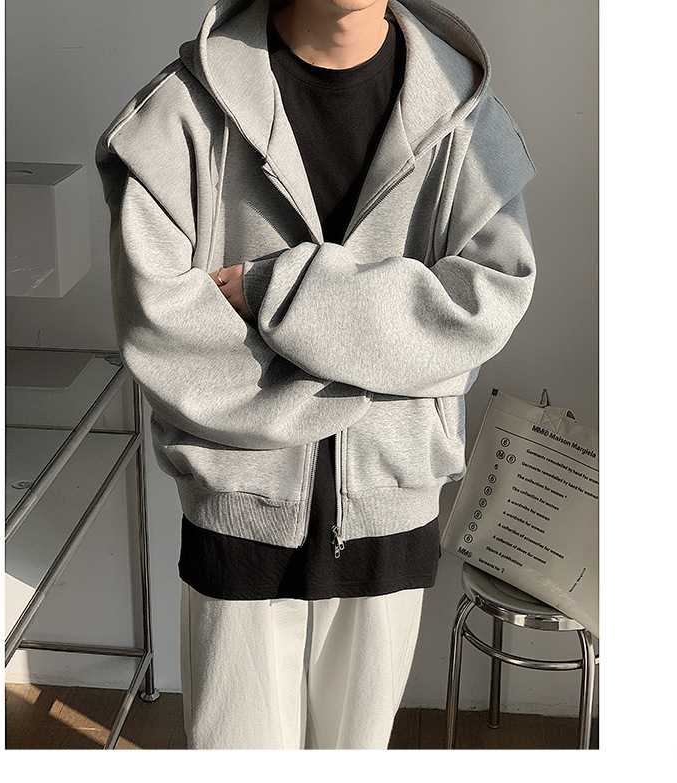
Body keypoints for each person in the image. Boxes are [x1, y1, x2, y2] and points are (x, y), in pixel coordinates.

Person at [96, 0, 536, 750]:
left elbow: (485, 302)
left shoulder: (465, 119)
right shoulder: (184, 112)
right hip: (237, 510)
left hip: (391, 507)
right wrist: (373, 370)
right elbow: (158, 324)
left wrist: (280, 290)